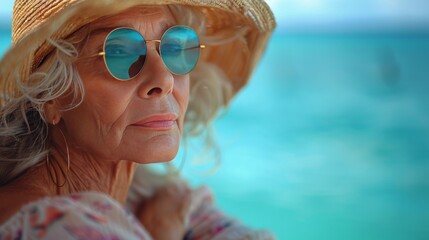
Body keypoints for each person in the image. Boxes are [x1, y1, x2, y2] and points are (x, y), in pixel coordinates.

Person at [0, 0, 276, 239]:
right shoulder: (47, 225)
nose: (164, 79)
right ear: (50, 96)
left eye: (174, 47)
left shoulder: (155, 194)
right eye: (121, 53)